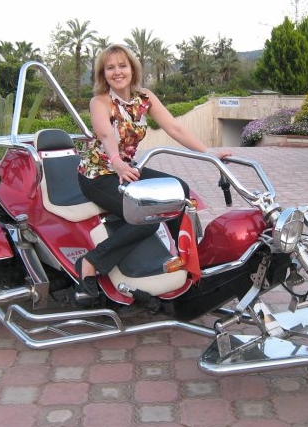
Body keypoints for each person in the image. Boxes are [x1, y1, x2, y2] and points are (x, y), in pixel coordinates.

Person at [74, 44, 231, 298]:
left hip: (128, 170)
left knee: (179, 190)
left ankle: (186, 260)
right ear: (103, 74)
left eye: (122, 65)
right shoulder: (100, 102)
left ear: (133, 69)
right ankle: (91, 262)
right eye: (110, 67)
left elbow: (174, 127)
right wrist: (116, 161)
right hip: (98, 174)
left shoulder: (144, 98)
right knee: (146, 218)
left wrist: (208, 153)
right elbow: (105, 134)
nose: (117, 72)